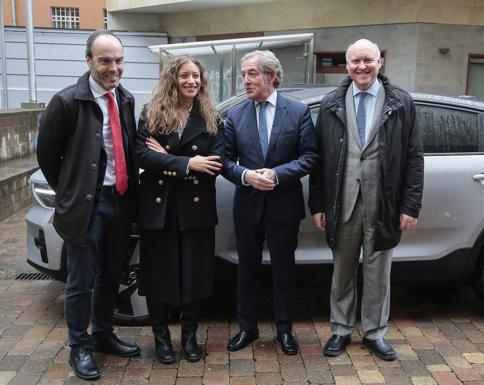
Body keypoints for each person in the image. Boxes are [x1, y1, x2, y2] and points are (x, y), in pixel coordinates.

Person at [309, 38, 424, 361]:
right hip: (341, 203)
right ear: (347, 66)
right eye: (356, 61)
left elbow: (414, 157)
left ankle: (375, 333)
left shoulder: (400, 102)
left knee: (378, 274)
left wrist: (410, 205)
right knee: (342, 271)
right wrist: (317, 205)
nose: (362, 67)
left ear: (380, 62)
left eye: (368, 61)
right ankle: (341, 329)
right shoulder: (331, 103)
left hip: (383, 204)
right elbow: (318, 159)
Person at [37, 30, 141, 380]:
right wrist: (71, 194)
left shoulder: (125, 99)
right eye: (105, 60)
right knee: (80, 280)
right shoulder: (66, 102)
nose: (114, 68)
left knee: (110, 276)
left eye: (119, 60)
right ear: (89, 61)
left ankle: (103, 335)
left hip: (121, 202)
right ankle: (79, 346)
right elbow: (48, 156)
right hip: (87, 206)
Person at [222, 50, 319, 355]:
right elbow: (224, 161)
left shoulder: (298, 111)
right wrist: (246, 175)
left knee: (284, 270)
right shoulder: (236, 114)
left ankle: (285, 329)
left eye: (251, 73)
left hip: (283, 205)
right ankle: (247, 328)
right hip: (248, 205)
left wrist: (277, 175)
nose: (245, 80)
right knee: (246, 270)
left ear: (272, 76)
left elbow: (310, 156)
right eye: (243, 74)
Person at [135, 55, 225, 364]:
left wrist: (169, 160)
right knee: (158, 274)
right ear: (172, 79)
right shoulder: (151, 113)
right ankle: (161, 337)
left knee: (193, 274)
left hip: (195, 210)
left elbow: (215, 163)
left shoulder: (211, 116)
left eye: (196, 76)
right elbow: (142, 156)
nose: (192, 81)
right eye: (185, 75)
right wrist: (188, 163)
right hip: (159, 208)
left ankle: (189, 336)